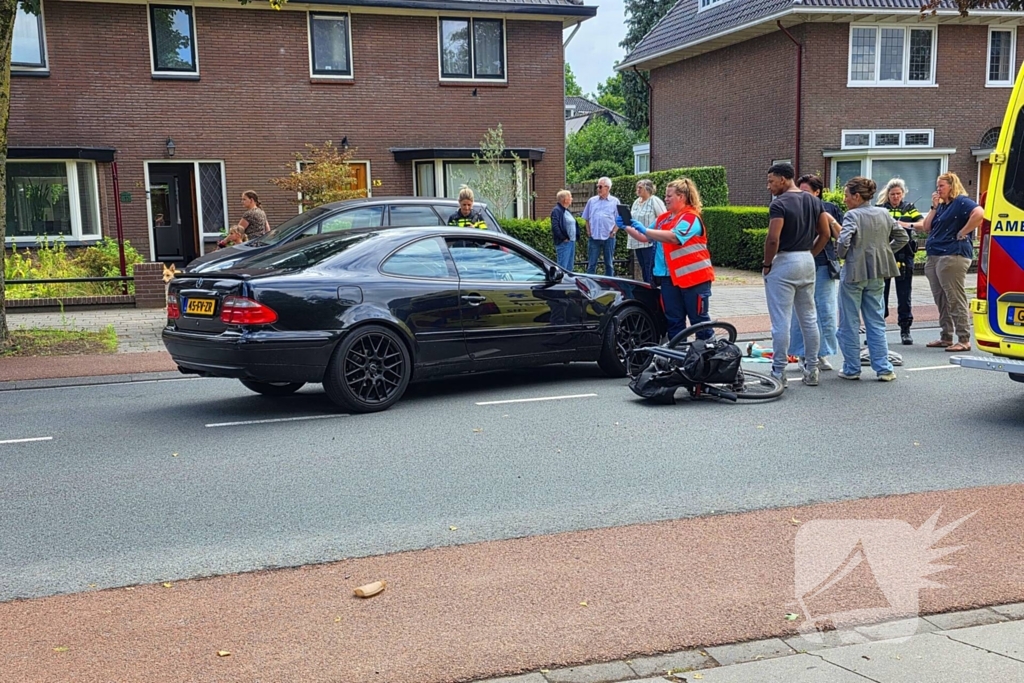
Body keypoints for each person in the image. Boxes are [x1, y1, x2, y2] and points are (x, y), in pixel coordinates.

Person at [616, 178, 714, 339]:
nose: (665, 199)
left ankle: (708, 354)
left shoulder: (690, 218)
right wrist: (627, 226)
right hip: (669, 278)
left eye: (669, 196)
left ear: (681, 197)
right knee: (674, 320)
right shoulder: (664, 219)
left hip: (694, 279)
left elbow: (674, 237)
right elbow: (643, 237)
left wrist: (645, 230)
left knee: (699, 321)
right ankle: (678, 357)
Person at [763, 163, 831, 388]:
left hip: (784, 260)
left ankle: (779, 371)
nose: (769, 186)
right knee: (809, 317)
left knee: (781, 318)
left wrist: (767, 263)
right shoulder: (813, 200)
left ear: (783, 179)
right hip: (806, 260)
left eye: (772, 181)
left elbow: (773, 238)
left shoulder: (779, 204)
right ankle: (812, 368)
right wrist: (811, 253)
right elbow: (825, 233)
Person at [836, 177, 909, 381]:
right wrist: (885, 251)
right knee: (875, 321)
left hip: (853, 273)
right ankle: (884, 368)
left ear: (857, 196)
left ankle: (852, 368)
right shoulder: (883, 213)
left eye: (847, 195)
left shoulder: (852, 215)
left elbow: (843, 241)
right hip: (877, 273)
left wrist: (842, 254)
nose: (845, 199)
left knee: (849, 323)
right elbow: (903, 237)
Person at [920, 172, 984, 352]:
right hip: (935, 255)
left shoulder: (961, 202)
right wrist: (934, 207)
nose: (938, 189)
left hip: (952, 254)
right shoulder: (941, 206)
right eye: (937, 186)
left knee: (955, 297)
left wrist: (964, 231)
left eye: (941, 186)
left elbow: (979, 213)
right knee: (941, 298)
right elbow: (926, 227)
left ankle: (964, 338)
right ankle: (946, 336)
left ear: (952, 186)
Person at [789, 174, 842, 371]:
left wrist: (829, 220)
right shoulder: (793, 206)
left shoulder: (829, 208)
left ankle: (822, 353)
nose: (802, 196)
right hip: (801, 264)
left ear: (817, 192)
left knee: (826, 309)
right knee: (801, 311)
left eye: (806, 192)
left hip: (823, 264)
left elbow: (841, 236)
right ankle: (802, 352)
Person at [878, 178, 924, 345]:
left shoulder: (909, 208)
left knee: (904, 294)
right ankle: (878, 329)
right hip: (884, 255)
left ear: (903, 194)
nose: (895, 197)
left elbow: (922, 224)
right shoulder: (881, 209)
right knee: (880, 293)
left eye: (898, 194)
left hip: (904, 256)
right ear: (887, 195)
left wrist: (902, 224)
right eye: (892, 194)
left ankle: (905, 329)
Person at [629, 179, 665, 284]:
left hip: (650, 241)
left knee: (650, 266)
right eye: (637, 187)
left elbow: (663, 218)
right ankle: (647, 286)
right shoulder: (636, 202)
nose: (638, 190)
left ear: (648, 189)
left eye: (640, 187)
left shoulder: (654, 201)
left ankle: (652, 287)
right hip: (637, 240)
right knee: (643, 267)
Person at [581, 176, 619, 276]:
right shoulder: (592, 201)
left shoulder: (615, 202)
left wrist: (614, 232)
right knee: (591, 264)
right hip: (594, 237)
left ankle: (610, 285)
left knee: (609, 264)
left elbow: (619, 220)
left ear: (608, 188)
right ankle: (589, 285)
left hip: (609, 237)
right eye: (597, 186)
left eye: (600, 187)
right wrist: (588, 231)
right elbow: (586, 218)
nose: (598, 189)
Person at [550, 190, 577, 271]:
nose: (572, 199)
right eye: (570, 197)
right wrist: (563, 238)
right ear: (565, 200)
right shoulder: (557, 211)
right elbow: (555, 226)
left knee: (569, 267)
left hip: (571, 242)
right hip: (564, 243)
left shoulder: (566, 211)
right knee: (563, 267)